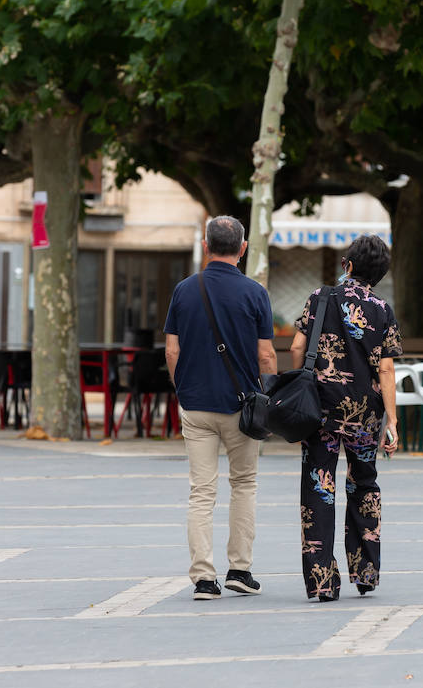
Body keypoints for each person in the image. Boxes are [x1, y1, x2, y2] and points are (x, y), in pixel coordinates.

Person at [163, 216, 277, 600]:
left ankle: (203, 579)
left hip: (196, 405)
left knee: (201, 491)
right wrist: (270, 397)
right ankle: (240, 570)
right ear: (243, 248)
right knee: (244, 485)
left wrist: (183, 389)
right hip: (242, 407)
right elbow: (265, 355)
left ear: (206, 244)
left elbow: (172, 350)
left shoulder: (184, 290)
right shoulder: (255, 293)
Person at [292, 234, 402, 601]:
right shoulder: (382, 309)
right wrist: (393, 421)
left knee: (319, 489)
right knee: (364, 485)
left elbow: (296, 346)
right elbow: (386, 370)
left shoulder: (320, 297)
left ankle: (323, 583)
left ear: (348, 265)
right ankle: (366, 573)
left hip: (320, 411)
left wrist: (303, 389)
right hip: (365, 414)